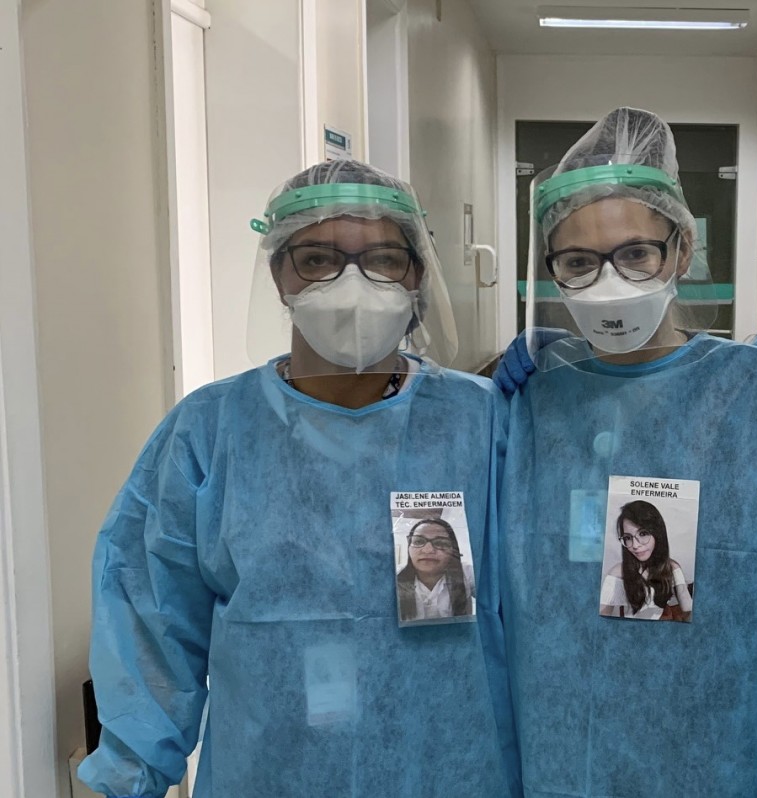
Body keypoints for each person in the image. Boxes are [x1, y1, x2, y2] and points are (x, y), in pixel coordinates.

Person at [78, 160, 518, 797]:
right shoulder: (211, 432)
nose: (352, 284)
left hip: (452, 771)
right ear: (280, 274)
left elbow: (546, 611)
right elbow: (148, 621)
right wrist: (129, 776)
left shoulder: (482, 425)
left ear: (416, 273)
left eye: (384, 259)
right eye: (318, 259)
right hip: (271, 775)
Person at [499, 107, 757, 797]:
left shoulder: (751, 389)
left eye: (635, 253)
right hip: (558, 741)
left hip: (704, 744)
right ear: (551, 270)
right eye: (578, 261)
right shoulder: (531, 396)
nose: (609, 281)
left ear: (680, 250)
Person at [598, 500, 694, 621]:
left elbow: (686, 606)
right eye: (628, 538)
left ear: (658, 534)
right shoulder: (616, 575)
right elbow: (602, 617)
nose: (635, 545)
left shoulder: (672, 567)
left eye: (643, 534)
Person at [396, 517, 475, 622]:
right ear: (409, 547)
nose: (428, 550)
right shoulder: (394, 577)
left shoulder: (468, 573)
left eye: (440, 543)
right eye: (418, 541)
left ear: (453, 550)